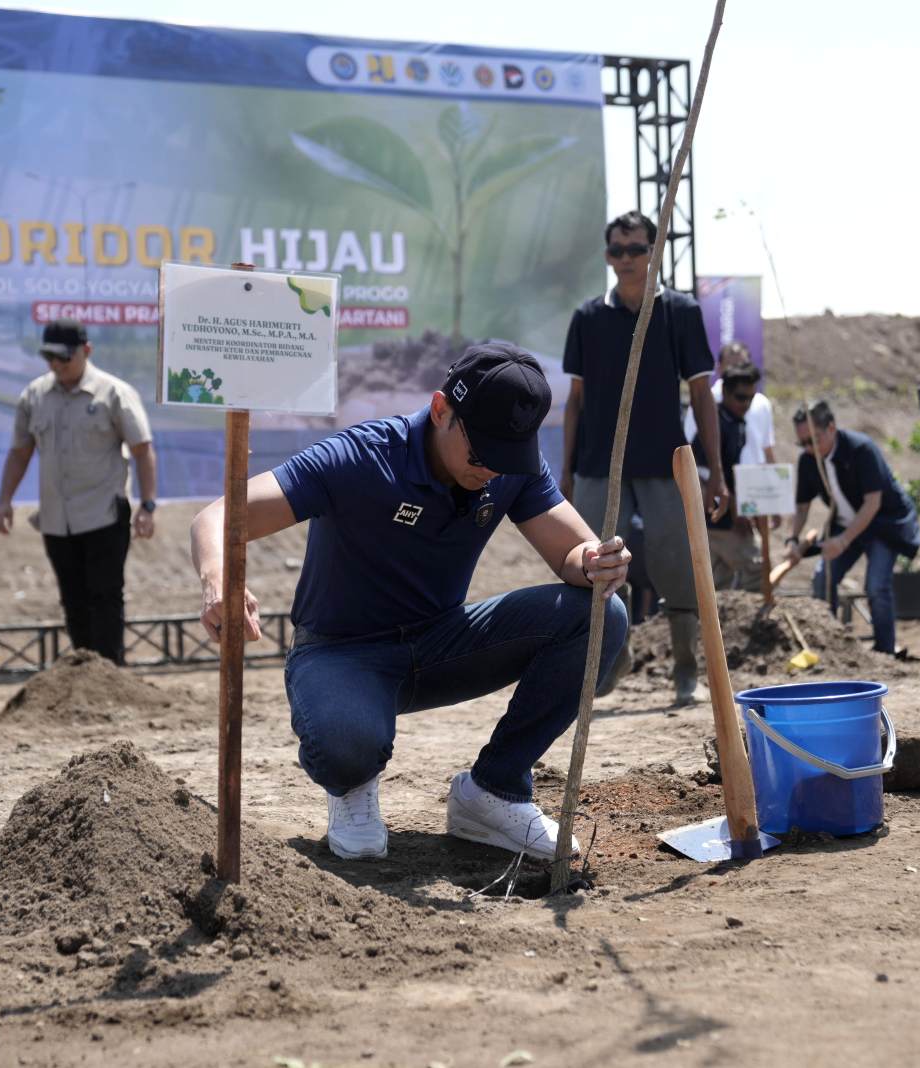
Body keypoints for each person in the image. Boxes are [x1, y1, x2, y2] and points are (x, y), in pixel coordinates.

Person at [190, 343, 630, 862]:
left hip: (444, 644)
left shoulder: (509, 465)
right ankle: (352, 787)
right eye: (481, 453)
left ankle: (493, 790)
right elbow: (218, 517)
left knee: (600, 613)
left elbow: (571, 553)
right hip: (341, 653)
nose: (492, 470)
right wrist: (221, 582)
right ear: (441, 409)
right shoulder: (361, 457)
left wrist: (595, 562)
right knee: (347, 746)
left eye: (507, 457)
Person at [561, 210, 727, 705]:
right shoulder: (588, 318)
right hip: (599, 462)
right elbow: (575, 402)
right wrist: (565, 471)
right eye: (617, 250)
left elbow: (702, 396)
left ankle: (685, 666)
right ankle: (615, 654)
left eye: (637, 249)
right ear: (608, 258)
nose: (627, 259)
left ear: (654, 252)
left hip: (663, 459)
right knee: (595, 563)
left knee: (675, 561)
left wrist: (715, 470)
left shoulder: (679, 311)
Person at [0, 318, 157, 665]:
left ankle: (110, 673)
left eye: (64, 359)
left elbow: (142, 450)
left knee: (105, 595)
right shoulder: (35, 395)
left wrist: (148, 505)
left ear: (86, 351)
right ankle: (83, 673)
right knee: (72, 598)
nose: (56, 366)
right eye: (50, 359)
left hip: (104, 513)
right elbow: (20, 452)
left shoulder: (114, 393)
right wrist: (4, 500)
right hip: (57, 517)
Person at [784, 400, 920, 655]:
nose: (809, 448)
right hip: (846, 525)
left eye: (814, 439)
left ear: (832, 428)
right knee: (822, 578)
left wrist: (843, 541)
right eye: (802, 443)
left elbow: (872, 503)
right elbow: (802, 506)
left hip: (882, 525)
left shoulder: (861, 449)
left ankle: (885, 652)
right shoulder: (808, 461)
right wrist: (792, 539)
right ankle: (830, 647)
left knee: (876, 585)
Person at [691, 363, 762, 590]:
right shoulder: (717, 425)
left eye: (751, 398)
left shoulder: (736, 422)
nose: (746, 405)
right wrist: (734, 510)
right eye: (741, 398)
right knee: (757, 567)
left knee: (719, 580)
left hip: (723, 515)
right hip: (717, 516)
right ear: (725, 394)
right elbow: (703, 472)